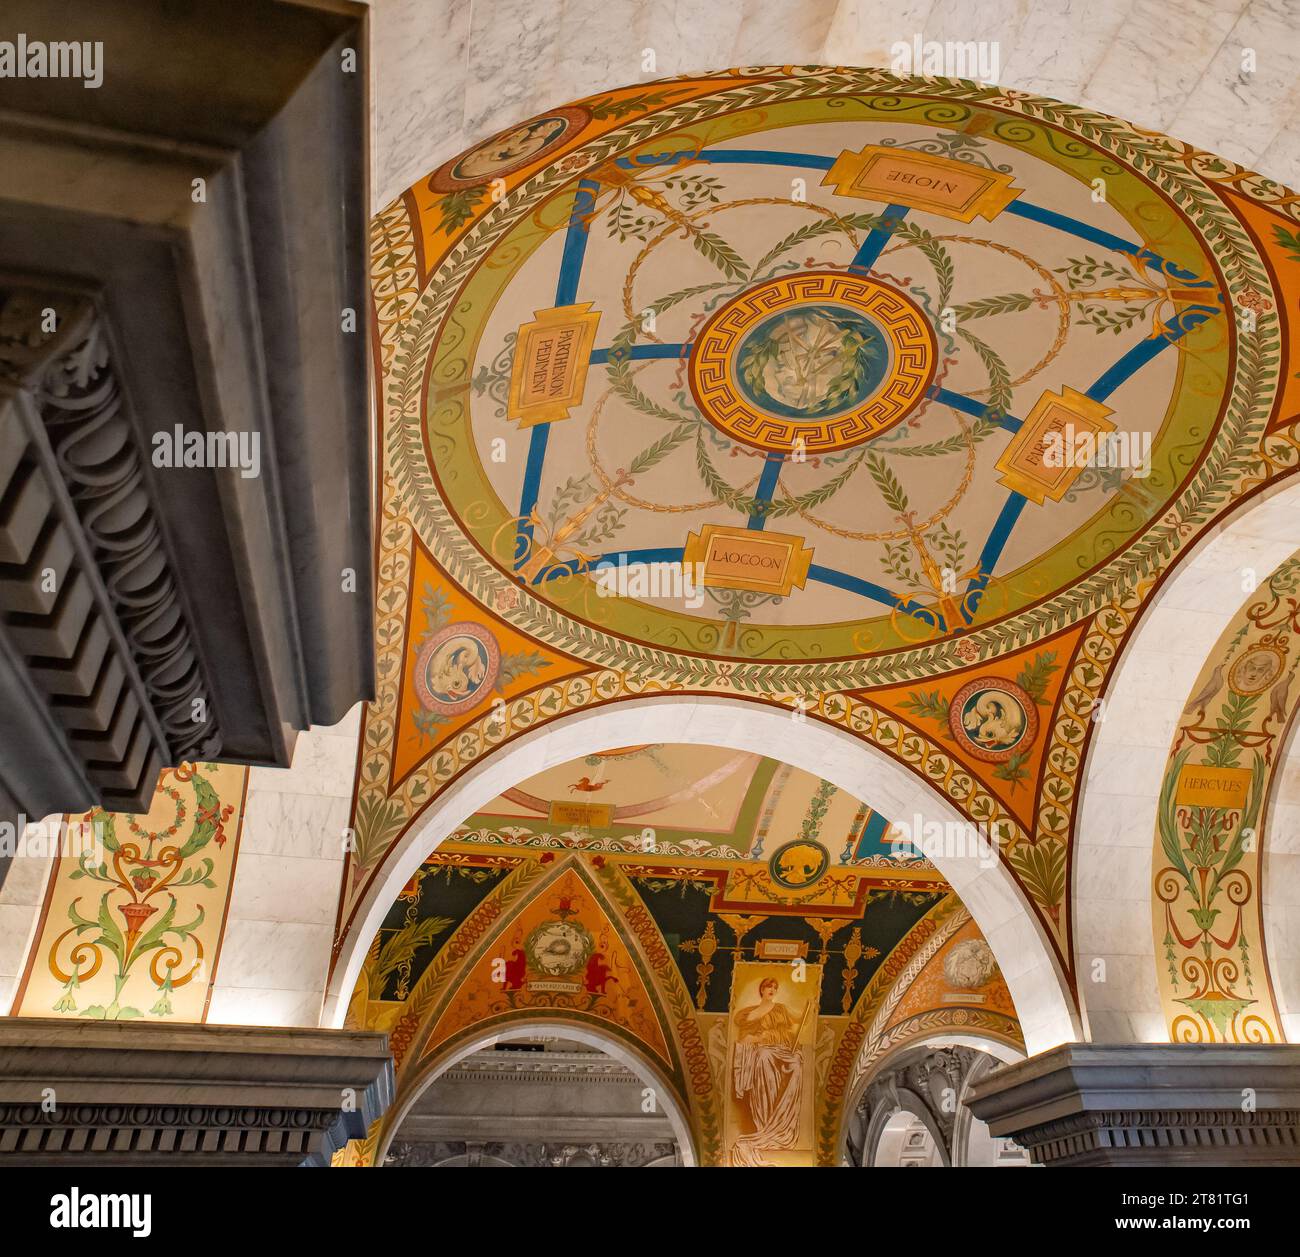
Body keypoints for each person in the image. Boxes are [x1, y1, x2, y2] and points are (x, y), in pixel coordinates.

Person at [729, 976, 806, 1165]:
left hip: (782, 1050)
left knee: (796, 1063)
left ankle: (782, 1122)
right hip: (764, 1052)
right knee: (763, 1056)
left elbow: (796, 1019)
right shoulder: (751, 1012)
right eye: (768, 986)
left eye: (775, 987)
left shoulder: (781, 1009)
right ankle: (766, 1122)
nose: (772, 989)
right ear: (761, 990)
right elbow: (744, 1028)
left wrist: (810, 1008)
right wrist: (760, 1036)